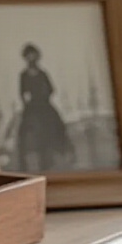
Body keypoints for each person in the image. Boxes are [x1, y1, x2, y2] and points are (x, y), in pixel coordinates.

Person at [15, 43, 74, 172]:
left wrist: (44, 96)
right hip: (32, 106)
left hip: (44, 104)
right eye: (28, 56)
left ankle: (64, 150)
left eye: (33, 55)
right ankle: (23, 161)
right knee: (23, 129)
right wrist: (27, 102)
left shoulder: (42, 73)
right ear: (25, 58)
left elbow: (52, 89)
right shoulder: (23, 75)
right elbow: (22, 92)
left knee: (58, 123)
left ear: (37, 56)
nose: (31, 58)